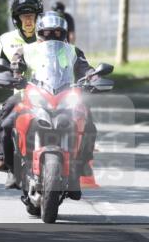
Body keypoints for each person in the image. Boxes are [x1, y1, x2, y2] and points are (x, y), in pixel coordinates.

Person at [13, 11, 98, 198]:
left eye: (57, 33)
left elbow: (85, 68)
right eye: (48, 32)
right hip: (36, 93)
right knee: (10, 120)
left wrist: (93, 77)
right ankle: (13, 166)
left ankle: (80, 169)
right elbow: (16, 65)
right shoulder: (27, 49)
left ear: (64, 33)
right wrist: (15, 75)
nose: (52, 36)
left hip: (65, 93)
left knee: (89, 123)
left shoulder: (73, 51)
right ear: (40, 32)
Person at [0, 0, 43, 187]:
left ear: (38, 17)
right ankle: (7, 162)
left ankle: (77, 167)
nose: (28, 20)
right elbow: (2, 64)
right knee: (7, 120)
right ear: (16, 19)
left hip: (51, 92)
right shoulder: (6, 39)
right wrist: (6, 77)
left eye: (32, 15)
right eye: (24, 16)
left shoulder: (48, 36)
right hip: (23, 94)